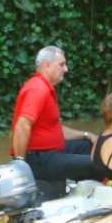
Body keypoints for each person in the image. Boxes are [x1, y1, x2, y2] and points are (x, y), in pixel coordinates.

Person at [9, 45, 97, 195]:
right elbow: (22, 125)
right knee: (99, 163)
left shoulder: (44, 87)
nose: (66, 69)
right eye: (61, 64)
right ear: (47, 65)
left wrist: (88, 135)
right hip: (40, 159)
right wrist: (20, 164)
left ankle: (82, 193)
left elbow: (55, 128)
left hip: (49, 154)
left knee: (91, 145)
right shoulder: (38, 89)